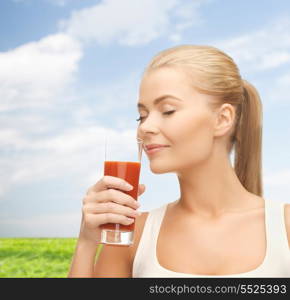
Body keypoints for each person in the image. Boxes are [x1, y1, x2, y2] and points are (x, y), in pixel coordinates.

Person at [68, 45, 290, 278]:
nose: (144, 127)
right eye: (141, 116)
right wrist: (86, 242)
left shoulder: (284, 228)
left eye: (168, 110)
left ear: (222, 119)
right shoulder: (133, 234)